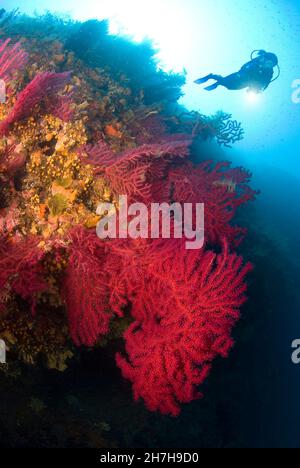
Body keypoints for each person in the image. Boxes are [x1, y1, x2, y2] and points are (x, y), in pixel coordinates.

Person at [195, 50, 279, 92]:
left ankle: (216, 81)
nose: (269, 65)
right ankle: (211, 76)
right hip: (238, 76)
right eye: (268, 62)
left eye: (271, 65)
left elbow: (264, 84)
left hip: (244, 85)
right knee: (224, 81)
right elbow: (244, 67)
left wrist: (256, 90)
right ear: (264, 59)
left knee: (229, 87)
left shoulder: (269, 73)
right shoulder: (256, 62)